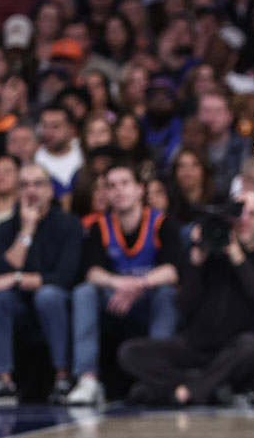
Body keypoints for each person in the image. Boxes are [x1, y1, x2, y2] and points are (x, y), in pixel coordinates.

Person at [117, 190, 254, 406]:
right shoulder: (210, 256)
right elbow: (183, 306)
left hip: (239, 348)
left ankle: (186, 391)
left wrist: (238, 259)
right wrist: (196, 263)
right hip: (197, 346)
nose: (244, 221)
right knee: (129, 353)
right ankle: (210, 386)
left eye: (252, 214)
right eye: (238, 214)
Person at [66, 163, 181, 405]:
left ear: (140, 189)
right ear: (106, 194)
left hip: (147, 297)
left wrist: (138, 284)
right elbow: (91, 272)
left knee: (167, 294)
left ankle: (154, 374)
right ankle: (88, 379)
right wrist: (119, 283)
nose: (118, 190)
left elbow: (173, 270)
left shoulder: (161, 222)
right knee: (84, 292)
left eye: (125, 183)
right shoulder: (99, 226)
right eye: (111, 186)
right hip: (115, 299)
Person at [0, 164, 83, 406]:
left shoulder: (69, 225)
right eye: (24, 185)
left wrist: (16, 279)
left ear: (51, 191)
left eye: (38, 184)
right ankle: (3, 381)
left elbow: (65, 277)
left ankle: (63, 378)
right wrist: (27, 230)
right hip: (20, 304)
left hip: (58, 303)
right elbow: (2, 273)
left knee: (48, 295)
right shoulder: (6, 228)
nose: (31, 190)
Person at [35, 104, 85, 205]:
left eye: (55, 126)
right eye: (45, 126)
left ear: (71, 129)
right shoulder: (35, 159)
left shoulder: (84, 149)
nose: (48, 132)